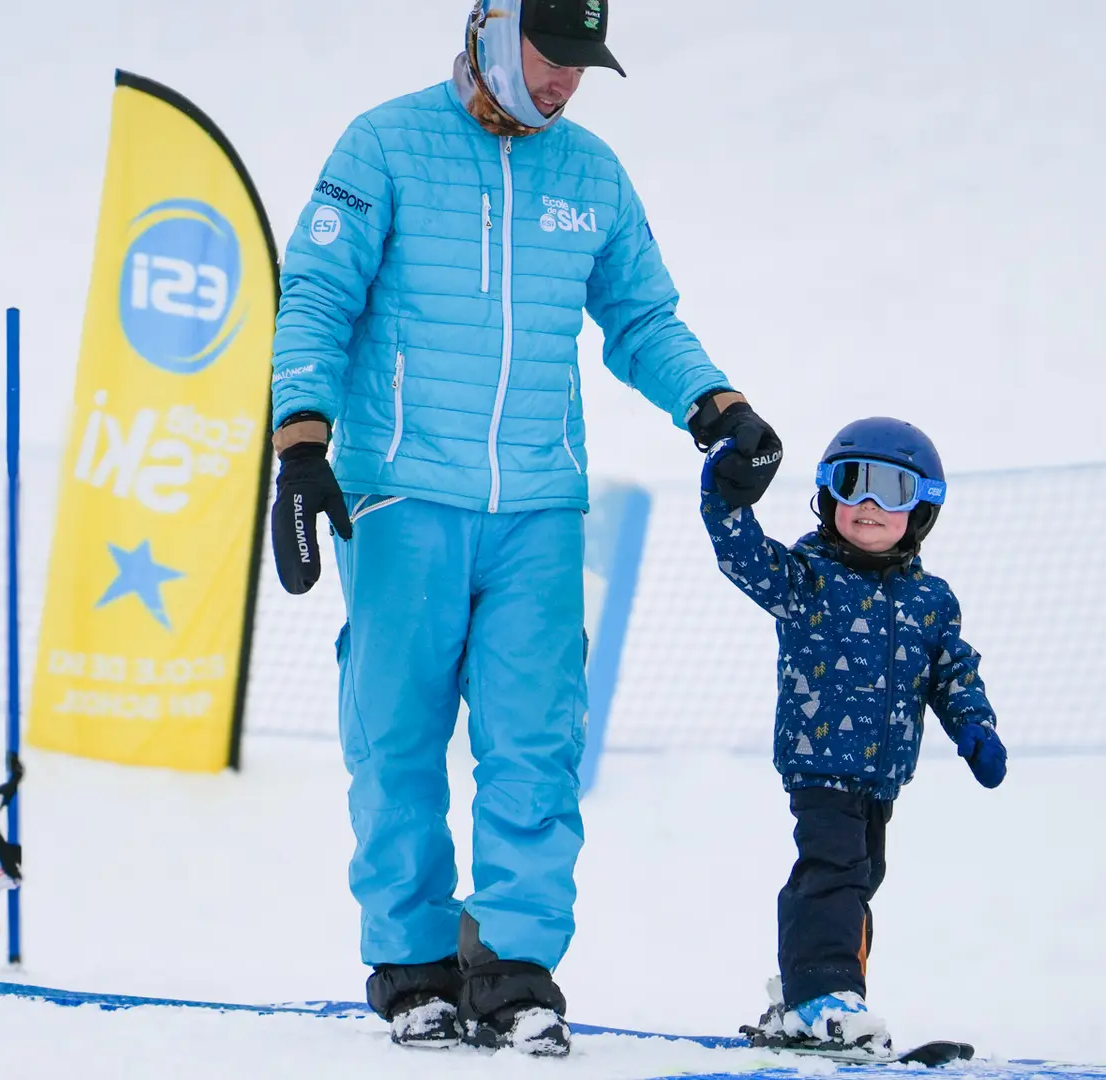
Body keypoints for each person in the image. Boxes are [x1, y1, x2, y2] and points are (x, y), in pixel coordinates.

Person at [265, 0, 784, 1056]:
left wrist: (715, 406)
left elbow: (640, 315)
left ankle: (511, 967)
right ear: (493, 35)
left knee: (535, 746)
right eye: (552, 58)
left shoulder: (588, 174)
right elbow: (316, 294)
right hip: (404, 493)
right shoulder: (385, 146)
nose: (565, 85)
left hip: (539, 507)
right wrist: (302, 444)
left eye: (582, 67)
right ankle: (413, 962)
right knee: (399, 736)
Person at [701, 417, 1007, 1056]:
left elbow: (953, 670)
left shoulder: (932, 600)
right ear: (828, 496)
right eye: (853, 484)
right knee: (834, 871)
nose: (869, 504)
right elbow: (743, 557)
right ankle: (824, 999)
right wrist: (725, 498)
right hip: (820, 762)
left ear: (921, 509)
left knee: (859, 878)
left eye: (892, 491)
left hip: (883, 773)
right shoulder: (807, 576)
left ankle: (807, 1001)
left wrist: (974, 724)